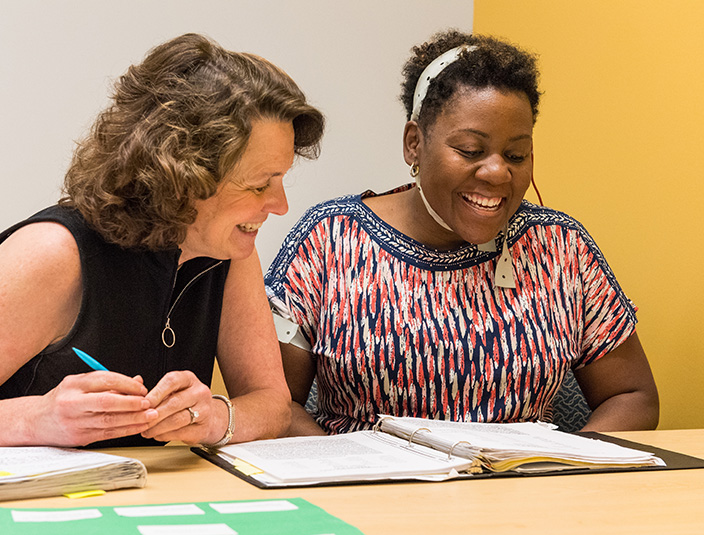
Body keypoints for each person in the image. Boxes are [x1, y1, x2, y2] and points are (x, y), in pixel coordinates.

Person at [0, 33, 325, 448]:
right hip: (30, 490)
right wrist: (40, 418)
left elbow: (273, 405)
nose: (280, 205)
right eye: (258, 185)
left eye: (280, 179)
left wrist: (215, 417)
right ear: (183, 174)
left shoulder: (228, 252)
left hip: (149, 489)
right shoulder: (53, 253)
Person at [265, 30, 658, 436]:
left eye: (516, 154)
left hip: (520, 475)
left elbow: (631, 396)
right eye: (471, 150)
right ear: (414, 144)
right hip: (364, 473)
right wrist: (348, 469)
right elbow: (275, 402)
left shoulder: (561, 248)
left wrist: (567, 465)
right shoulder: (329, 240)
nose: (497, 172)